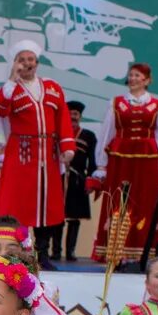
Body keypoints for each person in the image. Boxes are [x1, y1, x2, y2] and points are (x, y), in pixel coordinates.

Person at [0, 45, 75, 269]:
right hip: (21, 155)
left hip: (47, 154)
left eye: (31, 59)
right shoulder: (11, 89)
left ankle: (42, 254)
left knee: (47, 204)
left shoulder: (52, 88)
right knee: (19, 203)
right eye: (22, 59)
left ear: (37, 62)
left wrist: (67, 146)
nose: (27, 63)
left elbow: (62, 116)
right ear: (15, 63)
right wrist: (11, 80)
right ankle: (17, 253)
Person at [91, 63, 158, 263]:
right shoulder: (116, 103)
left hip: (147, 162)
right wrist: (101, 164)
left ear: (147, 80)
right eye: (130, 75)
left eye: (137, 75)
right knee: (119, 200)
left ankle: (143, 250)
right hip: (120, 159)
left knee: (145, 202)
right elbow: (107, 132)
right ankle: (116, 251)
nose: (132, 79)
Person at [61, 101, 98, 263]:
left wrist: (90, 180)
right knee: (57, 217)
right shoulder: (59, 133)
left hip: (78, 180)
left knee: (74, 218)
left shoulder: (88, 136)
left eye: (75, 114)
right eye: (70, 114)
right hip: (60, 178)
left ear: (80, 116)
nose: (73, 117)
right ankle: (55, 251)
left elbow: (93, 161)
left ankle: (70, 251)